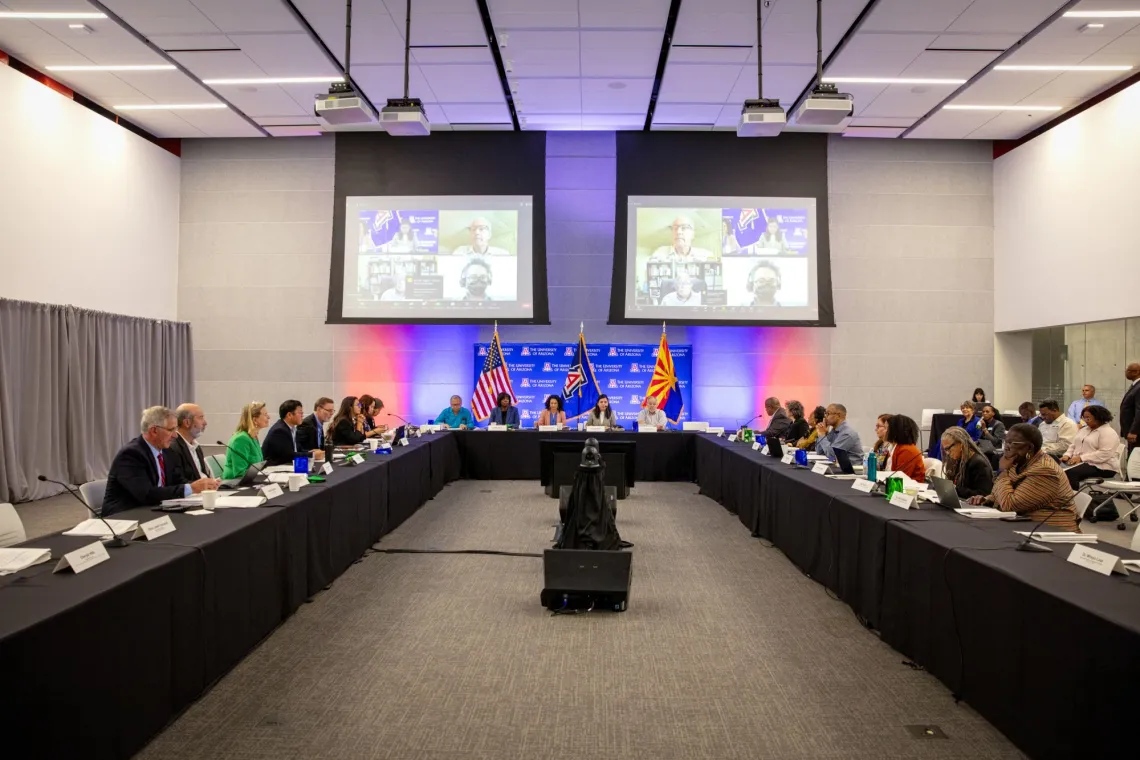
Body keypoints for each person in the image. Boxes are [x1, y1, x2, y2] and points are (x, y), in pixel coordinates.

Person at [102, 406, 219, 516]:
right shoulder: (131, 455)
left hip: (155, 510)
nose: (175, 436)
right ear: (154, 431)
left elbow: (177, 480)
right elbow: (146, 494)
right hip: (126, 515)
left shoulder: (167, 451)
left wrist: (202, 485)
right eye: (171, 430)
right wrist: (191, 488)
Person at [967, 424, 1081, 531]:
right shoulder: (1018, 462)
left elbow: (1010, 506)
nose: (1006, 447)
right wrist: (987, 499)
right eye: (1006, 442)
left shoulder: (1045, 470)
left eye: (1012, 443)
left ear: (1029, 448)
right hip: (1023, 523)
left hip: (1050, 530)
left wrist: (1003, 471)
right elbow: (1003, 492)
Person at [1061, 405, 1122, 489]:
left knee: (1071, 472)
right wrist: (1067, 455)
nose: (1085, 421)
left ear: (1098, 417)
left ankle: (1071, 498)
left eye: (1088, 418)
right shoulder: (1084, 430)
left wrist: (1081, 458)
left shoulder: (1108, 432)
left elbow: (1104, 454)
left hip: (1103, 467)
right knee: (1055, 467)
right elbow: (1074, 445)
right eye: (1084, 418)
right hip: (1082, 463)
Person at [263, 400, 324, 466]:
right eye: (300, 413)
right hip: (275, 468)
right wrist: (312, 455)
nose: (302, 415)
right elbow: (288, 456)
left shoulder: (292, 428)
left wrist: (310, 452)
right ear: (289, 415)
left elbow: (298, 450)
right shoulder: (279, 430)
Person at [940, 426, 993, 498]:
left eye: (949, 448)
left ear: (961, 443)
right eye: (945, 450)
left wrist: (955, 490)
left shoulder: (979, 463)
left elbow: (983, 494)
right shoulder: (958, 460)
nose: (947, 453)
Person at [223, 402, 269, 479]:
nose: (269, 417)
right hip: (234, 484)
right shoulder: (241, 439)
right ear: (254, 420)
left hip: (250, 480)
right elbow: (240, 473)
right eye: (265, 414)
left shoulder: (253, 437)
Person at [169, 403, 211, 481]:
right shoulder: (173, 447)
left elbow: (202, 474)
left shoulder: (196, 447)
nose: (205, 423)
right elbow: (177, 481)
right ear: (187, 423)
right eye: (201, 418)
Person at [650, 215, 714, 262]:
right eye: (675, 228)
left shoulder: (706, 256)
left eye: (684, 227)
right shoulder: (659, 254)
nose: (678, 232)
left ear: (693, 234)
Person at [883, 414, 925, 482]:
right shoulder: (894, 447)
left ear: (895, 431)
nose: (883, 431)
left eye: (885, 428)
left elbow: (900, 479)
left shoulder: (907, 450)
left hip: (910, 489)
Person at [1121, 362, 1140, 452]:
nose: (1126, 372)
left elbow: (1139, 410)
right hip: (1132, 432)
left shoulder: (1139, 387)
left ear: (1136, 372)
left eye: (1128, 370)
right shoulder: (1135, 386)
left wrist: (1134, 431)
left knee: (1134, 459)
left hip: (1136, 434)